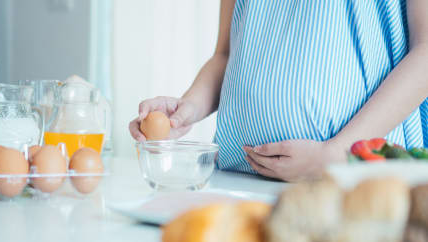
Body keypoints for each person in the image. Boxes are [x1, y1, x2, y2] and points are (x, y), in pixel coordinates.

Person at [129, 0, 428, 181]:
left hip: (351, 185)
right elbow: (225, 54)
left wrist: (337, 153)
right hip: (238, 178)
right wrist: (187, 109)